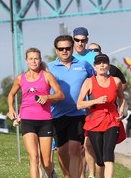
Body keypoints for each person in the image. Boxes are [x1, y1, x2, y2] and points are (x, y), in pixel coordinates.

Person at [7, 48, 65, 178]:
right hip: (28, 120)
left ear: (40, 60)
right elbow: (11, 94)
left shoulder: (47, 76)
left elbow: (61, 95)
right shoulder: (20, 78)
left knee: (46, 162)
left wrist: (47, 97)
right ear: (26, 61)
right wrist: (11, 108)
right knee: (34, 158)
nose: (34, 61)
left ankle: (50, 172)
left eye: (36, 58)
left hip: (45, 121)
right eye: (31, 58)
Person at [47, 35, 95, 178]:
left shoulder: (83, 65)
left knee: (75, 149)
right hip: (57, 114)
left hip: (78, 114)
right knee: (61, 151)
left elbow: (95, 83)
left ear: (72, 48)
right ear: (56, 51)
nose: (64, 51)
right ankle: (68, 175)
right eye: (61, 49)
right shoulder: (49, 67)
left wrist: (93, 105)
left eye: (67, 48)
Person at [80, 42, 127, 178]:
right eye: (99, 63)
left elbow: (122, 98)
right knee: (99, 159)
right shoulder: (89, 82)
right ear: (94, 67)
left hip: (112, 120)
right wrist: (95, 101)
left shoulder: (116, 81)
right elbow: (79, 104)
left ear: (108, 65)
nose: (101, 65)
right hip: (94, 120)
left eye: (104, 63)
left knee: (108, 155)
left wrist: (122, 110)